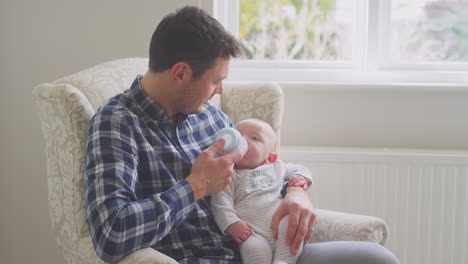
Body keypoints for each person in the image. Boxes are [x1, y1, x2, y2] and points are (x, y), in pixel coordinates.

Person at [84, 5, 400, 264]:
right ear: (180, 73)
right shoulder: (117, 124)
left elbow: (262, 167)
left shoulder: (208, 115)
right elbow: (111, 234)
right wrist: (195, 187)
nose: (220, 91)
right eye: (215, 81)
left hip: (258, 251)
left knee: (374, 258)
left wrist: (296, 190)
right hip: (196, 258)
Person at [211, 119, 313, 264]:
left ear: (270, 157)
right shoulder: (229, 173)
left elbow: (300, 169)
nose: (243, 141)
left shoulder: (277, 166)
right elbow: (220, 202)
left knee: (290, 227)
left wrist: (299, 178)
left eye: (254, 138)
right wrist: (231, 223)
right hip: (252, 231)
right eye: (238, 135)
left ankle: (284, 261)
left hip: (279, 222)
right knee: (254, 249)